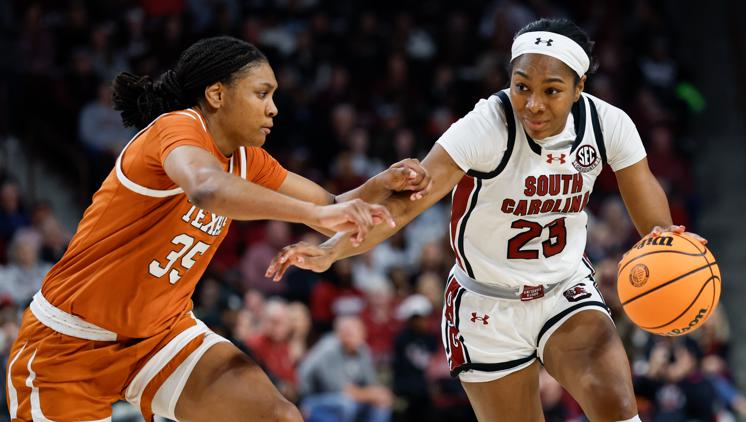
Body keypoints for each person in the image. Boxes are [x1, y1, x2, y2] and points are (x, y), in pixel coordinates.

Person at [267, 18, 708, 422]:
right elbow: (401, 209)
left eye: (551, 90)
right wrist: (331, 252)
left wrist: (677, 257)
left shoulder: (607, 123)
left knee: (615, 403)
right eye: (521, 87)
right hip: (486, 305)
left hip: (563, 289)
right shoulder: (485, 126)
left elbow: (657, 231)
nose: (533, 104)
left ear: (579, 87)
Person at [5, 36, 430, 421]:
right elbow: (207, 189)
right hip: (70, 344)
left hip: (161, 335)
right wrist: (309, 217)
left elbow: (331, 204)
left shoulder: (248, 159)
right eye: (262, 93)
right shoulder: (176, 128)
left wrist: (381, 184)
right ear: (216, 94)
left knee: (278, 417)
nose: (273, 108)